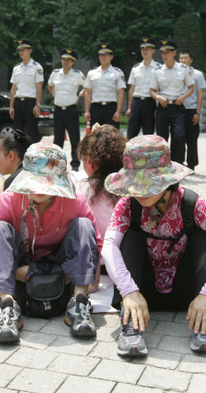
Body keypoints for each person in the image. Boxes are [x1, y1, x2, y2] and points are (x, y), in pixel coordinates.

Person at [102, 135, 206, 356]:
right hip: (142, 292)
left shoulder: (192, 203)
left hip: (187, 292)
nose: (139, 191)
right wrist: (129, 291)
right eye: (136, 184)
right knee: (128, 240)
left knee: (204, 238)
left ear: (167, 181)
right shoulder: (127, 205)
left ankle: (204, 322)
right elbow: (108, 246)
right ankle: (130, 326)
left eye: (147, 184)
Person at [0, 142, 102, 342]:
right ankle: (7, 307)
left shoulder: (75, 202)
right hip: (18, 279)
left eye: (46, 182)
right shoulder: (9, 199)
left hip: (62, 278)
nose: (39, 189)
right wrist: (18, 272)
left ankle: (79, 304)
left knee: (83, 225)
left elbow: (94, 246)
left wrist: (66, 274)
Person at [75, 123, 126, 293]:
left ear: (89, 162)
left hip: (92, 266)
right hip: (123, 264)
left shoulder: (82, 189)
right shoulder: (127, 189)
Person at [150, 40, 195, 163]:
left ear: (174, 53)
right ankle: (162, 163)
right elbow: (152, 91)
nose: (165, 55)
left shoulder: (183, 69)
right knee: (161, 138)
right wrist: (158, 98)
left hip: (177, 106)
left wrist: (183, 97)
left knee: (179, 136)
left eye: (168, 52)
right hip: (163, 107)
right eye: (163, 53)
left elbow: (191, 87)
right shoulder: (157, 70)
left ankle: (176, 163)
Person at [47, 48, 85, 171]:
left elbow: (87, 86)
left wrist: (79, 96)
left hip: (71, 110)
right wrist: (55, 96)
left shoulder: (78, 75)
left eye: (69, 60)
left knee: (74, 139)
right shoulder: (55, 73)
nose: (66, 62)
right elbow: (49, 85)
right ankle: (58, 164)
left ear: (73, 62)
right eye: (64, 59)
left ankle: (75, 165)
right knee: (57, 139)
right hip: (58, 110)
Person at [84, 43, 126, 129]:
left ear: (111, 57)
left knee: (112, 136)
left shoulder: (117, 73)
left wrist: (118, 111)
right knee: (95, 136)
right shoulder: (92, 73)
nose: (103, 57)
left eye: (106, 55)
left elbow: (120, 92)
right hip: (96, 108)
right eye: (101, 55)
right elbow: (88, 92)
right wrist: (86, 111)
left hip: (111, 107)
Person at [10, 39, 44, 143]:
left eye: (23, 50)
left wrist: (37, 104)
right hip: (18, 102)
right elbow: (13, 88)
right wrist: (11, 106)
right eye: (20, 50)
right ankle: (18, 155)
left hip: (30, 102)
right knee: (17, 132)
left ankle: (34, 156)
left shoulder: (36, 67)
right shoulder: (16, 68)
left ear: (30, 51)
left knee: (32, 131)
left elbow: (39, 87)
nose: (21, 52)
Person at [126, 38, 160, 139]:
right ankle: (129, 154)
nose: (145, 51)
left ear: (153, 51)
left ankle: (147, 155)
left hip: (150, 103)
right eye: (143, 49)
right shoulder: (135, 68)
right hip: (136, 103)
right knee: (131, 133)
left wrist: (157, 108)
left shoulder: (158, 68)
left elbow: (160, 89)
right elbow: (132, 89)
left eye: (148, 49)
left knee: (148, 134)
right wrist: (129, 107)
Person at [179, 50, 206, 171]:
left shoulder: (198, 74)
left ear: (191, 60)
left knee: (192, 139)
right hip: (178, 110)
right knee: (178, 137)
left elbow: (200, 94)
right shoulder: (176, 73)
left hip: (191, 110)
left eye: (185, 58)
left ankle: (191, 164)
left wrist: (197, 112)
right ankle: (179, 163)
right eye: (181, 58)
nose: (183, 60)